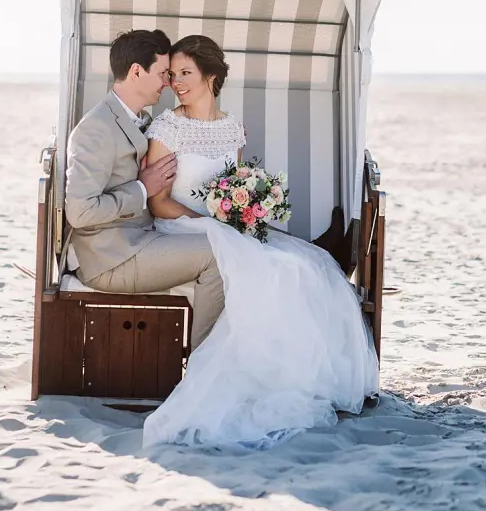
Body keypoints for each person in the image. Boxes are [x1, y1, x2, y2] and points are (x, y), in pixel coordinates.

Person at [141, 34, 378, 449]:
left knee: (308, 265)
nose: (176, 82)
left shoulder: (232, 127)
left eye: (186, 73)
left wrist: (246, 209)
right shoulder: (167, 126)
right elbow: (157, 201)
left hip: (225, 226)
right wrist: (210, 222)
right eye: (173, 74)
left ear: (210, 76)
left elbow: (231, 184)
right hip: (182, 226)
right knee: (274, 268)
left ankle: (294, 379)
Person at [63, 29, 225, 350]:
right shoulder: (96, 129)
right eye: (162, 73)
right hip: (110, 257)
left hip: (141, 238)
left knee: (228, 242)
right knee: (218, 256)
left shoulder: (137, 118)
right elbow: (80, 212)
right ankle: (203, 365)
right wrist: (142, 188)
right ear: (137, 71)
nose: (167, 82)